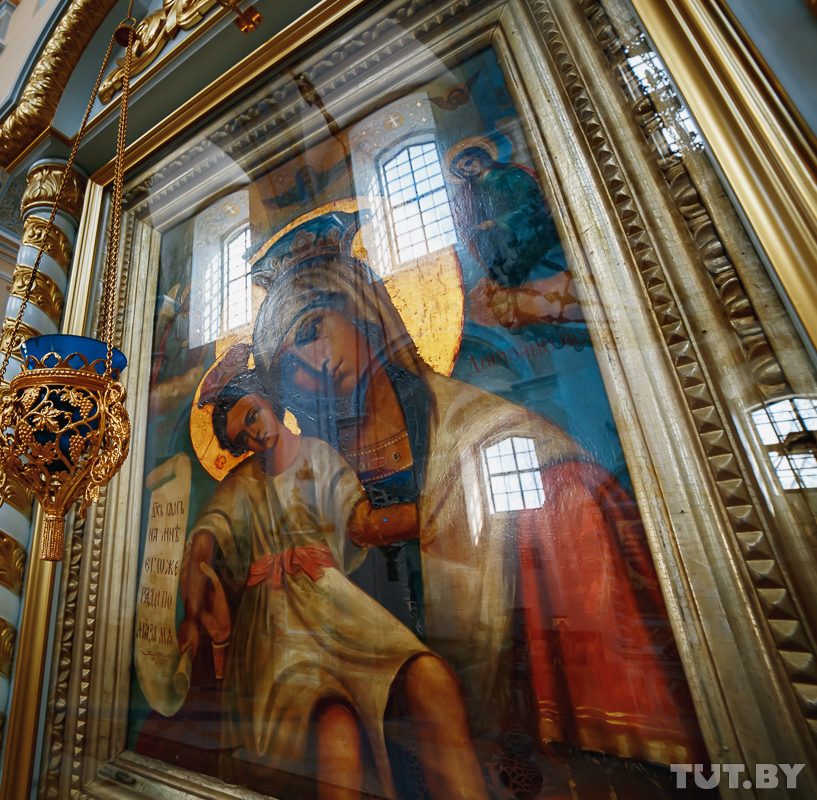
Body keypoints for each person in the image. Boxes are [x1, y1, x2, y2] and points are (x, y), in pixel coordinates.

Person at [251, 251, 707, 785]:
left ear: (361, 313)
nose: (313, 365)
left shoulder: (486, 433)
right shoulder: (305, 478)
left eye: (313, 330)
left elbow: (543, 514)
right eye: (289, 367)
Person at [178, 371, 486, 800]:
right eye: (242, 437)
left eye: (252, 415)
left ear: (269, 401)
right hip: (274, 625)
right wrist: (192, 617)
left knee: (432, 680)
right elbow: (201, 545)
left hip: (334, 606)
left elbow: (361, 524)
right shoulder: (239, 485)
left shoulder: (320, 457)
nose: (254, 434)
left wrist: (434, 514)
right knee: (336, 728)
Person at [448, 143, 561, 289]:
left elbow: (532, 203)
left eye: (469, 163)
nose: (467, 170)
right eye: (462, 171)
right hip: (500, 249)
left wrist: (496, 222)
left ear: (480, 157)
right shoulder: (472, 192)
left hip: (526, 235)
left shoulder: (510, 174)